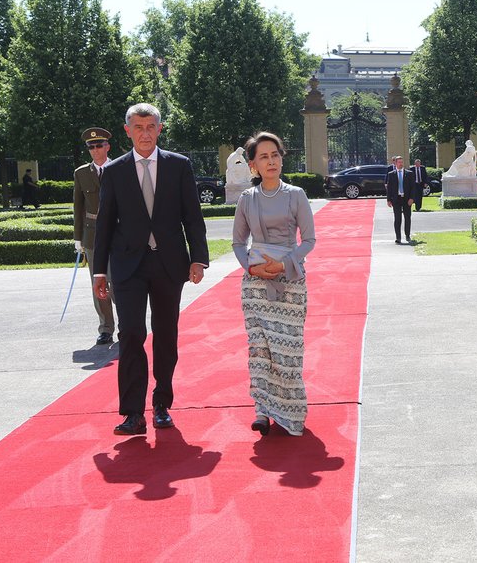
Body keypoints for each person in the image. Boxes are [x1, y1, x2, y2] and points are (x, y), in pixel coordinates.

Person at [92, 103, 209, 436]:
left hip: (169, 264)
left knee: (166, 334)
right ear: (128, 131)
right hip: (127, 266)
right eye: (138, 127)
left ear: (160, 129)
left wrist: (198, 258)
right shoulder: (114, 171)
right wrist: (100, 270)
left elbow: (192, 216)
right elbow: (104, 224)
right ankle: (132, 413)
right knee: (130, 334)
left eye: (151, 126)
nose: (145, 133)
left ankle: (161, 405)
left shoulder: (179, 166)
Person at [232, 131, 316, 437]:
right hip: (255, 286)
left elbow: (309, 241)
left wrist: (284, 264)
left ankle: (291, 411)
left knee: (287, 351)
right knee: (260, 349)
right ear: (253, 165)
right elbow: (238, 243)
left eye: (275, 155)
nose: (271, 161)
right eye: (264, 157)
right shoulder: (246, 199)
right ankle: (262, 411)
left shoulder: (296, 195)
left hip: (291, 281)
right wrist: (252, 268)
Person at [73, 128, 116, 346]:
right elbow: (78, 206)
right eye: (91, 147)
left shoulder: (120, 168)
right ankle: (106, 327)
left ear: (108, 146)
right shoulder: (81, 173)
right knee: (98, 282)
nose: (95, 150)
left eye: (99, 145)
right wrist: (78, 237)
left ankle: (127, 323)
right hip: (93, 234)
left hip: (118, 234)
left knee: (117, 281)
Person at [386, 155, 414, 244]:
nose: (401, 164)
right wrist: (388, 200)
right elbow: (389, 188)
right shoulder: (391, 174)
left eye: (402, 162)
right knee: (397, 218)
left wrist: (412, 198)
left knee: (407, 218)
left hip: (406, 199)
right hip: (396, 199)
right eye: (399, 162)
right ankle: (398, 237)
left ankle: (407, 235)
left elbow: (413, 187)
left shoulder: (409, 173)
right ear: (395, 163)